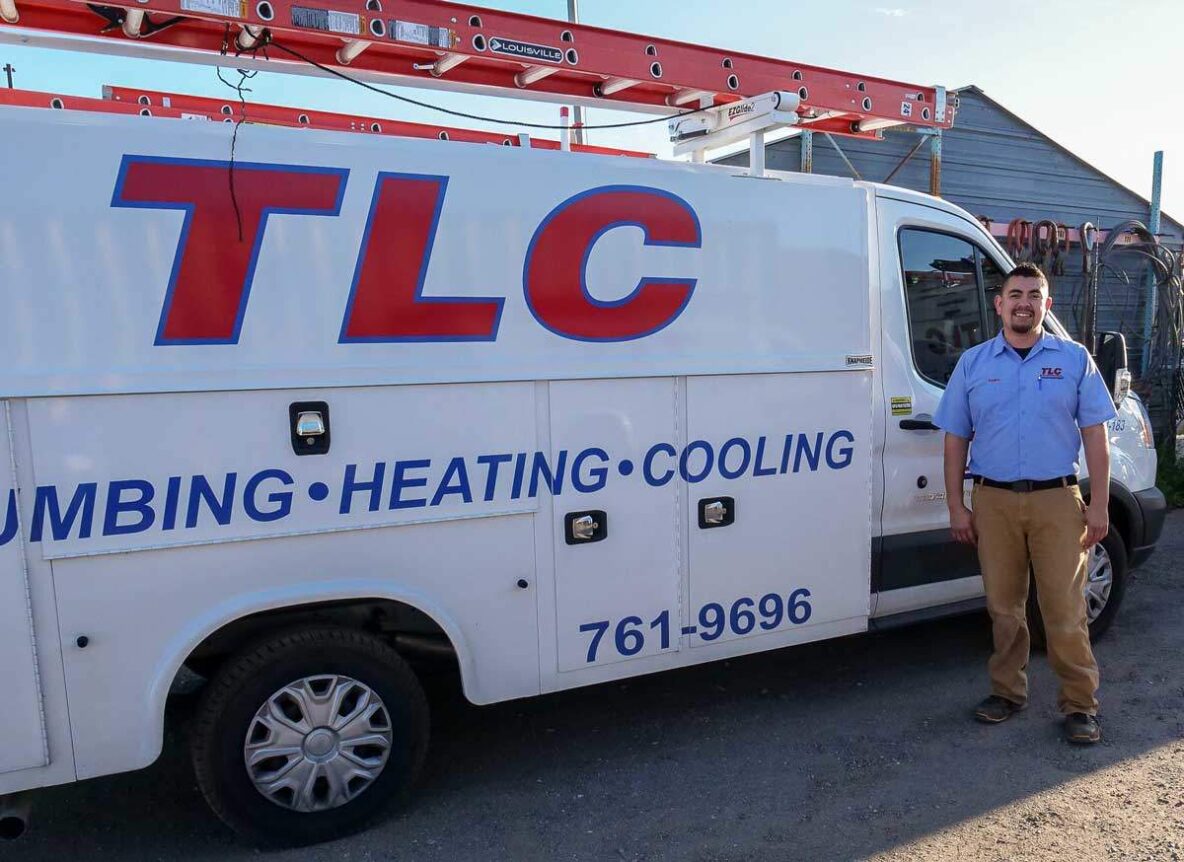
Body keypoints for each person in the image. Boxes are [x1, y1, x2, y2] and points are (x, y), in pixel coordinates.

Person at [933, 261, 1117, 744]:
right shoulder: (973, 363)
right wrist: (957, 506)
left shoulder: (1075, 359)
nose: (1024, 303)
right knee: (1004, 607)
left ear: (1046, 305)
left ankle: (1081, 705)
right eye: (1015, 294)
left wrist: (1098, 504)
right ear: (999, 304)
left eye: (1034, 295)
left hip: (1058, 499)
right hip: (992, 501)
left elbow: (1095, 435)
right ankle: (1007, 692)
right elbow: (955, 440)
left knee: (1063, 609)